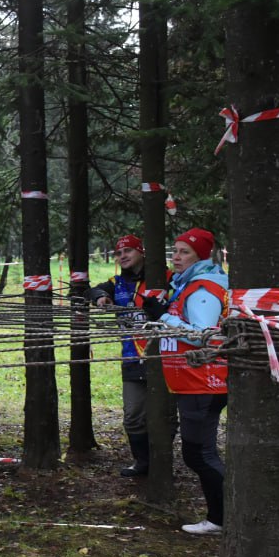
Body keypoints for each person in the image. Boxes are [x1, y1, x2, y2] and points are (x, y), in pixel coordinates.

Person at [144, 228, 229, 536]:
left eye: (184, 252)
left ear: (201, 256)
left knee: (199, 454)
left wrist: (164, 317)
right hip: (192, 382)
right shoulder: (187, 285)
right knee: (199, 452)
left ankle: (223, 518)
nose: (175, 257)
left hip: (203, 382)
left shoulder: (203, 289)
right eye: (175, 250)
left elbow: (202, 334)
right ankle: (224, 515)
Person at [88, 235, 155, 478]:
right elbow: (93, 289)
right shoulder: (116, 283)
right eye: (118, 253)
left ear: (142, 251)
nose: (123, 256)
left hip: (165, 358)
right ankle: (142, 462)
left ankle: (162, 462)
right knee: (133, 415)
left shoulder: (163, 278)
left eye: (128, 250)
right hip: (131, 358)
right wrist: (100, 297)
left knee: (165, 416)